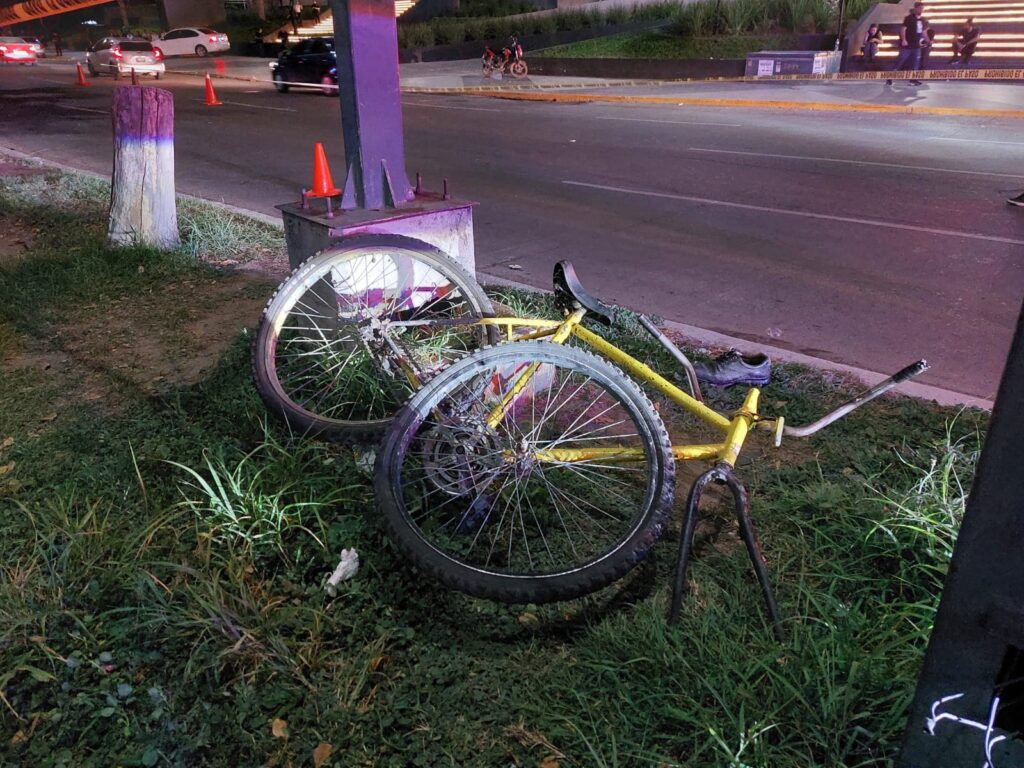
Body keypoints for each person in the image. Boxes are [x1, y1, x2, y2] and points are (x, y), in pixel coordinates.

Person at [888, 2, 927, 86]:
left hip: (917, 46)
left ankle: (913, 80)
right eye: (920, 8)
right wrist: (904, 40)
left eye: (923, 8)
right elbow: (903, 29)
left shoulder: (923, 20)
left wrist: (928, 40)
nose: (921, 10)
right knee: (900, 61)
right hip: (907, 46)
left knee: (915, 63)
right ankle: (890, 77)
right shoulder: (909, 18)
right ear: (916, 8)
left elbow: (923, 32)